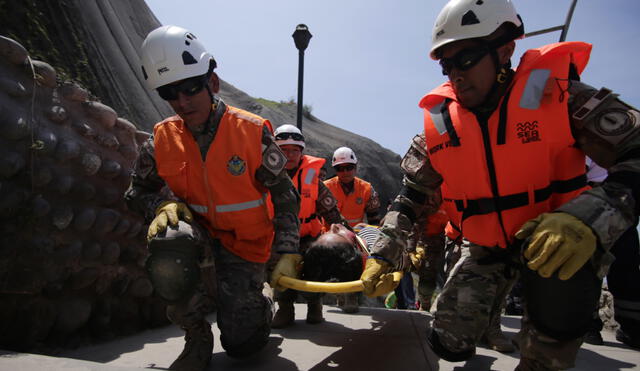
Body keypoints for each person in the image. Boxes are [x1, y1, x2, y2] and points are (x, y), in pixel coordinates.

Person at [359, 0, 640, 370]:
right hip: (486, 246)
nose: (455, 74)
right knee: (449, 343)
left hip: (554, 242)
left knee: (549, 341)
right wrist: (383, 252)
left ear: (506, 50)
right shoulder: (440, 125)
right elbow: (410, 196)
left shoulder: (562, 96)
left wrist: (586, 219)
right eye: (447, 64)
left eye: (467, 58)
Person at [125, 25, 301, 371]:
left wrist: (288, 250)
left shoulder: (251, 132)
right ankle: (196, 337)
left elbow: (285, 195)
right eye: (169, 93)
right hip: (199, 239)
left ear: (213, 84)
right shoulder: (161, 140)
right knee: (169, 240)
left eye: (191, 88)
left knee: (242, 345)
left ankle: (261, 300)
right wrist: (160, 205)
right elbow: (135, 192)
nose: (182, 101)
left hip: (246, 247)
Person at [269, 124, 348, 328]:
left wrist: (342, 230)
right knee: (281, 275)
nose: (290, 154)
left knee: (315, 271)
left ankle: (315, 306)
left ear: (301, 151)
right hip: (277, 239)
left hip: (309, 238)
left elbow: (329, 208)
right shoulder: (265, 174)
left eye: (295, 150)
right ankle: (285, 310)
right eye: (284, 150)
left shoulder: (312, 177)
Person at [582, 158, 640, 349]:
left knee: (588, 264)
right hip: (624, 195)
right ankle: (633, 328)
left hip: (592, 194)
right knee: (625, 264)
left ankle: (587, 327)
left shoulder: (584, 132)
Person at [325, 147, 382, 312]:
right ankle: (339, 294)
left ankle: (351, 295)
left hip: (356, 235)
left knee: (361, 260)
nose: (345, 172)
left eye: (349, 167)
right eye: (339, 168)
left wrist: (373, 240)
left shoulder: (366, 189)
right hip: (330, 234)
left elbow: (373, 219)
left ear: (356, 167)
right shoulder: (325, 188)